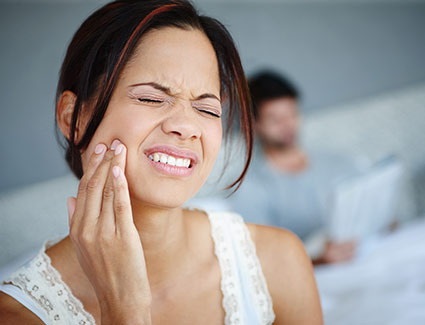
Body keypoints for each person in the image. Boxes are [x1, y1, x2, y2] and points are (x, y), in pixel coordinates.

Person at [0, 1, 323, 324]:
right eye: (151, 98)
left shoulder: (278, 260)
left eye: (207, 109)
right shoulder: (17, 314)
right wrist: (124, 307)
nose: (186, 126)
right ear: (74, 119)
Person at [228, 71, 358, 264]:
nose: (288, 125)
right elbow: (263, 257)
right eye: (276, 120)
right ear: (255, 124)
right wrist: (319, 260)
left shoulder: (336, 162)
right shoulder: (252, 187)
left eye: (292, 114)